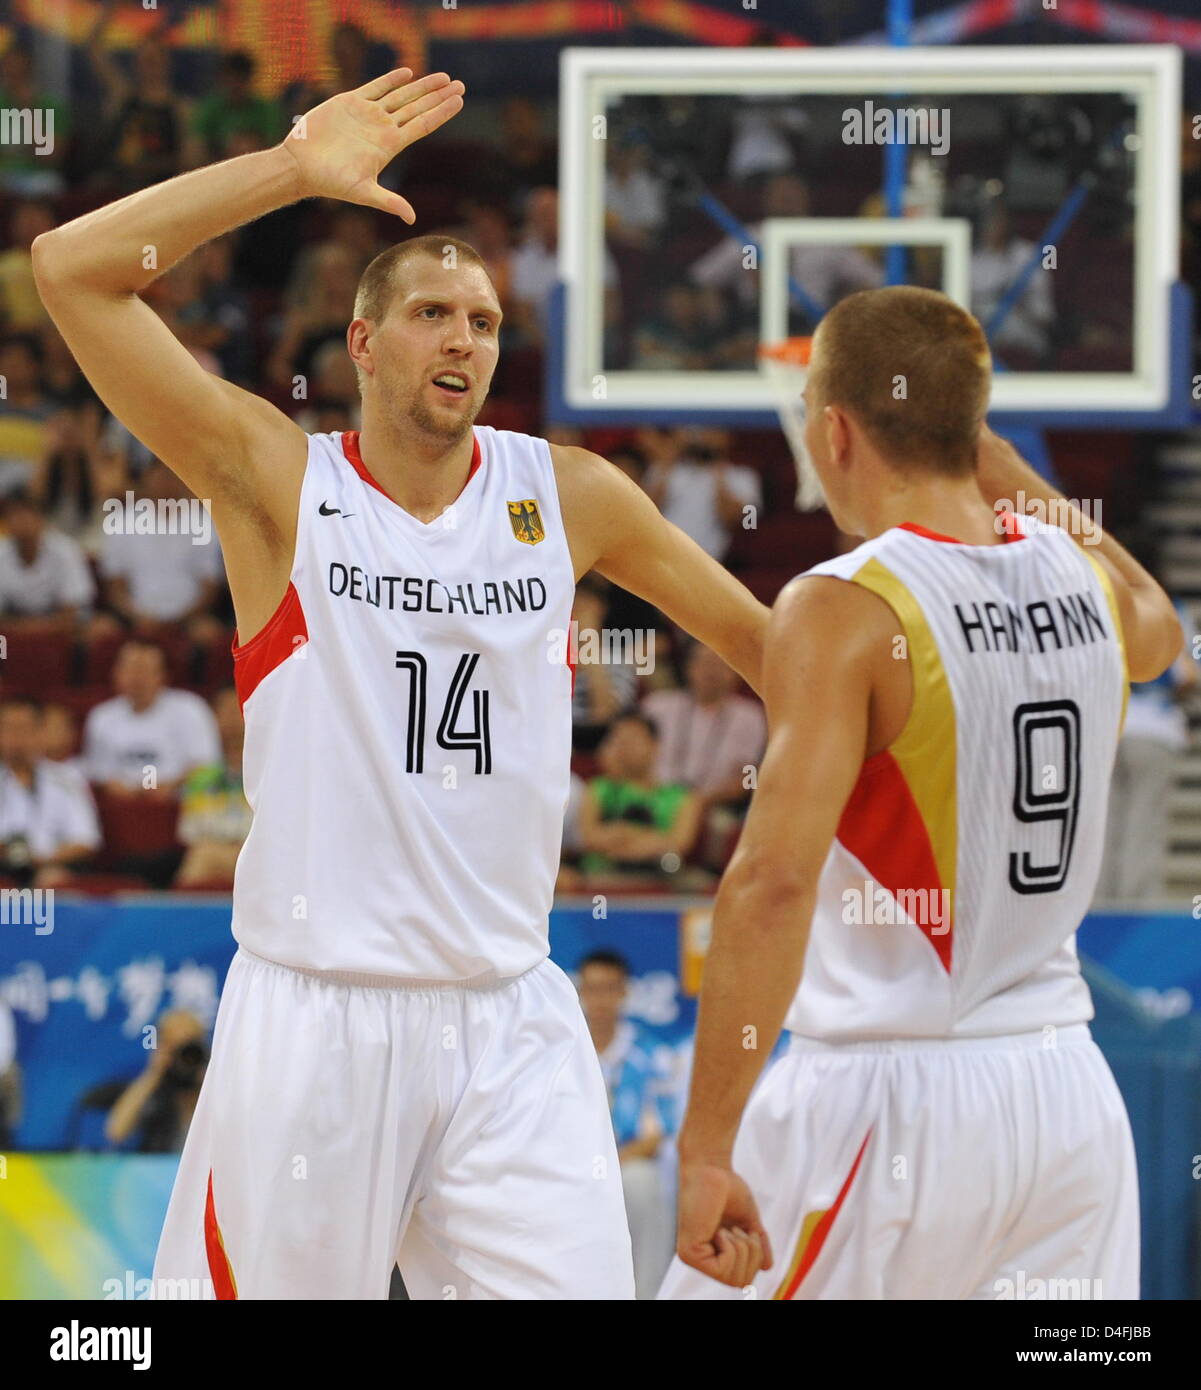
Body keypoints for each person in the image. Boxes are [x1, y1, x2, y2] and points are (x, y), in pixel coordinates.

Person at [33, 68, 767, 1301]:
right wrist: (291, 168)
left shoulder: (568, 496)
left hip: (508, 1018)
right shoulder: (276, 477)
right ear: (363, 342)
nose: (465, 341)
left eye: (482, 322)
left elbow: (772, 652)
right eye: (433, 313)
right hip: (316, 1016)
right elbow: (69, 269)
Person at [659, 286, 1182, 1300]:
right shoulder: (1089, 586)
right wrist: (1005, 466)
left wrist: (707, 1147)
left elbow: (770, 886)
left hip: (888, 1091)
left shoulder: (844, 605)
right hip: (1065, 1096)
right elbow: (1159, 625)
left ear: (834, 428)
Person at [578, 949, 676, 1299]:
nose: (600, 999)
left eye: (609, 988)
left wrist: (608, 1166)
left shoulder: (649, 1053)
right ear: (580, 993)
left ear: (624, 992)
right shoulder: (564, 1049)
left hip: (629, 1165)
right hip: (572, 1164)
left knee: (641, 1183)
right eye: (592, 988)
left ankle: (647, 1293)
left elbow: (659, 1134)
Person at [83, 639, 220, 797]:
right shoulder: (101, 717)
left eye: (145, 669)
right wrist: (120, 790)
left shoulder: (190, 709)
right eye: (131, 669)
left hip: (177, 806)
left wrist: (171, 786)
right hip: (122, 808)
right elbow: (97, 772)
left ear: (163, 675)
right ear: (116, 673)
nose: (137, 677)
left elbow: (208, 766)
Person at [0, 696, 101, 888]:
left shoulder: (68, 778)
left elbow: (85, 840)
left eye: (23, 729)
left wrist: (44, 859)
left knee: (54, 881)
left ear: (40, 733)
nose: (15, 738)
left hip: (50, 866)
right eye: (8, 728)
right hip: (3, 867)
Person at [105, 1010, 209, 1153]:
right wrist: (154, 1072)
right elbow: (116, 1132)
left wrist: (205, 1081)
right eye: (173, 1046)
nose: (183, 1057)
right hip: (157, 1168)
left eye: (187, 1047)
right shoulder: (154, 1090)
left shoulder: (211, 1086)